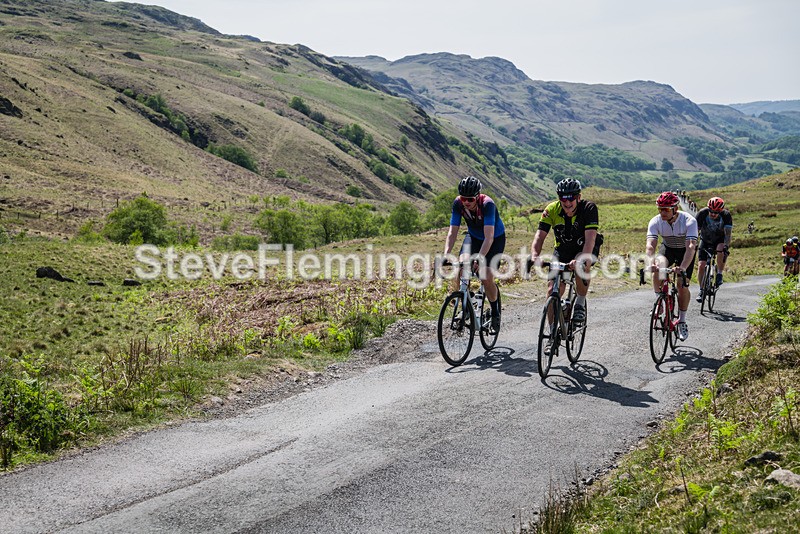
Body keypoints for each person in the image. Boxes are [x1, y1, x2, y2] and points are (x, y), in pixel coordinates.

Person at [530, 178, 601, 354]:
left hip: (585, 247)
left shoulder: (589, 209)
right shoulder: (551, 210)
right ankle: (553, 332)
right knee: (551, 290)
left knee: (581, 264)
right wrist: (535, 256)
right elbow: (540, 236)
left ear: (578, 197)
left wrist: (581, 259)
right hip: (562, 249)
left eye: (571, 198)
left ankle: (580, 304)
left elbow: (590, 240)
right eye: (563, 198)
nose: (567, 202)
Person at [443, 175, 505, 331]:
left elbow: (489, 238)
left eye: (470, 199)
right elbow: (452, 232)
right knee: (461, 265)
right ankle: (466, 300)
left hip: (494, 239)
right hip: (473, 237)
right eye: (464, 198)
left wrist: (479, 258)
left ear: (477, 197)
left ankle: (495, 312)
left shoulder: (488, 205)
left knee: (486, 276)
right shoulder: (458, 204)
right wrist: (446, 254)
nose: (466, 202)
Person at [645, 191, 698, 341]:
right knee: (658, 266)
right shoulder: (655, 221)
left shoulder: (689, 221)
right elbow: (651, 245)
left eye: (666, 209)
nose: (662, 212)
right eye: (660, 209)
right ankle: (659, 302)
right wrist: (650, 262)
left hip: (685, 252)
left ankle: (682, 321)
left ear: (675, 209)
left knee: (682, 285)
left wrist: (682, 267)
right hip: (668, 247)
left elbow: (691, 246)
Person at [694, 196, 733, 302]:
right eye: (711, 211)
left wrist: (726, 246)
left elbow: (728, 235)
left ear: (720, 211)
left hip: (719, 240)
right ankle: (702, 290)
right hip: (705, 240)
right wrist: (693, 244)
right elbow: (695, 232)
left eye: (716, 212)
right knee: (701, 265)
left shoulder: (726, 215)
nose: (713, 214)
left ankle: (719, 273)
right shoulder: (702, 214)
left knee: (721, 248)